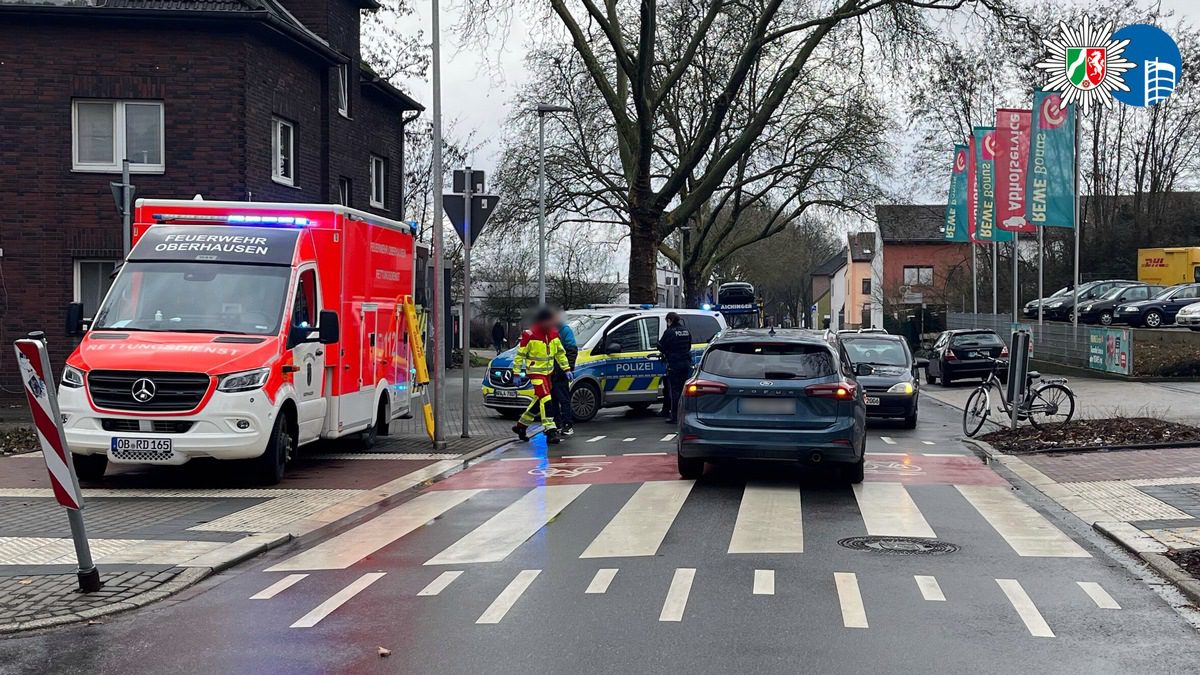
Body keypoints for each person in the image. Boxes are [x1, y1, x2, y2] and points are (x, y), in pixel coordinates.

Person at [512, 307, 572, 444]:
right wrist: (516, 373)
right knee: (546, 400)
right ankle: (550, 431)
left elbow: (560, 354)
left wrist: (566, 369)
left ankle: (521, 426)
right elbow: (519, 355)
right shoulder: (530, 335)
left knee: (537, 402)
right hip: (536, 374)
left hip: (548, 375)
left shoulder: (554, 335)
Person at [658, 312, 693, 424]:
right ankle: (685, 414)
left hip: (675, 364)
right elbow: (689, 346)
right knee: (684, 390)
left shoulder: (669, 332)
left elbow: (661, 346)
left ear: (669, 320)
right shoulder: (686, 331)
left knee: (675, 391)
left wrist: (666, 353)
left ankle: (675, 416)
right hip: (686, 363)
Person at [550, 310, 578, 436]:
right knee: (553, 399)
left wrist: (568, 368)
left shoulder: (564, 330)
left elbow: (571, 350)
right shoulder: (549, 331)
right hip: (550, 371)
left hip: (560, 371)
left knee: (563, 398)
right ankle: (557, 423)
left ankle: (567, 424)